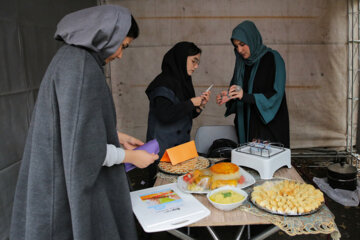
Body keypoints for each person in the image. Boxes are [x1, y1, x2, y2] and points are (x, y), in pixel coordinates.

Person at [10, 5, 158, 240]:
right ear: (108, 36)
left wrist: (115, 135)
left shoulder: (70, 58)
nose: (120, 55)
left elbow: (72, 126)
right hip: (62, 189)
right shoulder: (81, 68)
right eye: (123, 46)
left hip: (54, 175)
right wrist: (132, 157)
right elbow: (85, 152)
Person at [144, 42, 210, 186]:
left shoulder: (183, 82)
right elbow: (165, 115)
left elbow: (183, 115)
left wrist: (199, 107)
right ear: (181, 58)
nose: (196, 66)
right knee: (163, 192)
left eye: (197, 62)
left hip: (180, 149)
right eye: (194, 61)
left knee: (184, 189)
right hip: (163, 151)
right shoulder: (162, 83)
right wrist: (191, 103)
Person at [216, 20, 290, 148]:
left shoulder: (273, 58)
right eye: (236, 46)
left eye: (242, 44)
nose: (239, 50)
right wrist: (230, 96)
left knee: (267, 164)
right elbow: (239, 91)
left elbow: (276, 94)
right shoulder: (241, 63)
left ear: (252, 39)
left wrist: (244, 96)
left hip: (268, 128)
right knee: (247, 164)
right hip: (246, 126)